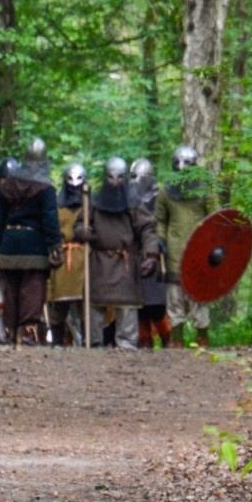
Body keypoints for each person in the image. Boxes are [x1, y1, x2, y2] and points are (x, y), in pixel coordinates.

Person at [0, 144, 62, 345]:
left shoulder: (8, 186)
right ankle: (27, 333)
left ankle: (10, 332)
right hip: (34, 246)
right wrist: (55, 247)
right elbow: (50, 220)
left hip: (9, 244)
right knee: (32, 289)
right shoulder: (45, 188)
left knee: (11, 291)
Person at [84, 156, 158, 351]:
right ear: (105, 178)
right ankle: (94, 343)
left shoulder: (133, 204)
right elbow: (81, 223)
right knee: (95, 304)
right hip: (99, 261)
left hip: (125, 262)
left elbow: (147, 229)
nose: (115, 181)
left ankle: (126, 344)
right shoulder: (94, 203)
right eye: (111, 177)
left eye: (119, 177)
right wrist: (82, 232)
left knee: (126, 305)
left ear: (125, 178)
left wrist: (151, 255)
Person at [154, 144, 213, 347]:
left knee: (199, 294)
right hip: (174, 249)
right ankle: (177, 339)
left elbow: (215, 218)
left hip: (199, 247)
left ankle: (202, 336)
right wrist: (160, 239)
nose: (182, 167)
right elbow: (160, 219)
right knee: (175, 296)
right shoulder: (165, 192)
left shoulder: (204, 189)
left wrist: (214, 244)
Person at [49, 162, 91, 345]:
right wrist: (53, 248)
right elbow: (52, 231)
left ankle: (85, 341)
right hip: (63, 257)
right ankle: (58, 342)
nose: (74, 183)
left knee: (84, 304)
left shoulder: (90, 205)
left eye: (79, 179)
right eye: (70, 179)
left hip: (83, 257)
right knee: (59, 303)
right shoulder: (57, 206)